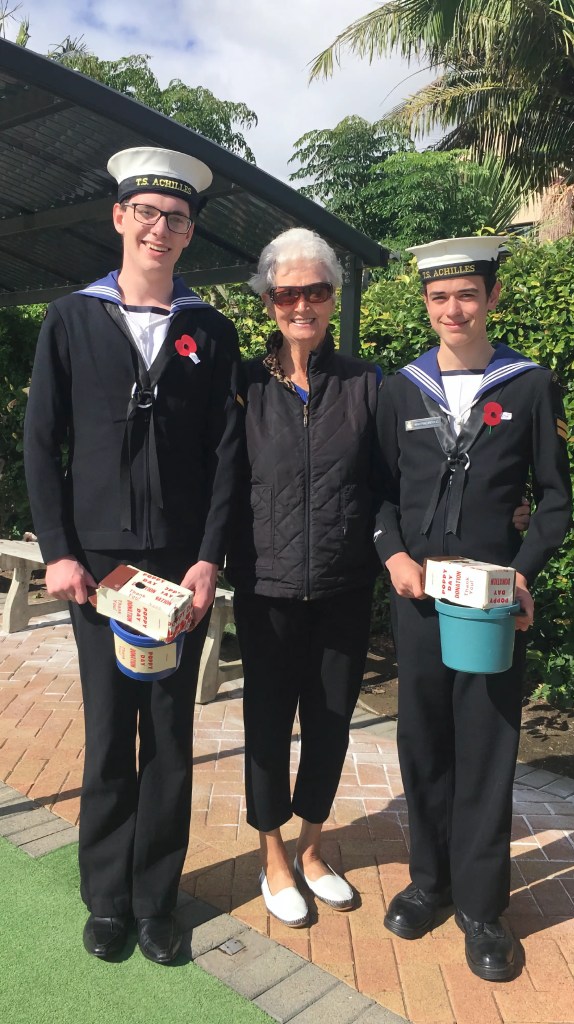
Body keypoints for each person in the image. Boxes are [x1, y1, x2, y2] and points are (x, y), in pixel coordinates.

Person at [23, 147, 244, 964]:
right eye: (146, 213)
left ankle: (158, 900)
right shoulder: (71, 318)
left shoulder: (209, 329)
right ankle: (106, 897)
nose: (159, 228)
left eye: (176, 218)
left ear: (190, 234)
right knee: (112, 729)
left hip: (176, 568)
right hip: (100, 571)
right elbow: (43, 444)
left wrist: (209, 557)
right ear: (119, 218)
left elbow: (228, 454)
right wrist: (61, 552)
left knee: (171, 731)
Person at [374, 236, 572, 981]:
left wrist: (521, 578)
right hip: (420, 601)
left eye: (466, 295)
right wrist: (393, 555)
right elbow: (379, 494)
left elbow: (555, 503)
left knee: (487, 750)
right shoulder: (403, 388)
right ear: (426, 305)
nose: (453, 310)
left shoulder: (528, 384)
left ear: (491, 298)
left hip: (491, 604)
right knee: (423, 744)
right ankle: (431, 883)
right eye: (439, 298)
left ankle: (484, 909)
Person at [225, 228, 383, 926]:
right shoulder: (244, 387)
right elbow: (218, 481)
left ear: (332, 297)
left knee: (330, 724)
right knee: (266, 725)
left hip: (345, 589)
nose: (302, 304)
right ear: (268, 302)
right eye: (287, 292)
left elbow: (396, 481)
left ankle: (314, 849)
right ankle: (274, 858)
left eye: (316, 291)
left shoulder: (366, 384)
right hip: (266, 590)